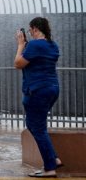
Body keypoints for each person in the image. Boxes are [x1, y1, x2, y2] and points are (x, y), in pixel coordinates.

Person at [14, 17, 63, 178]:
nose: (29, 33)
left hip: (37, 90)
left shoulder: (35, 45)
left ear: (35, 29)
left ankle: (50, 168)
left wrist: (21, 45)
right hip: (52, 89)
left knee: (37, 127)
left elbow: (18, 63)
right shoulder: (52, 45)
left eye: (30, 30)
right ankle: (53, 159)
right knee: (36, 124)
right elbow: (37, 60)